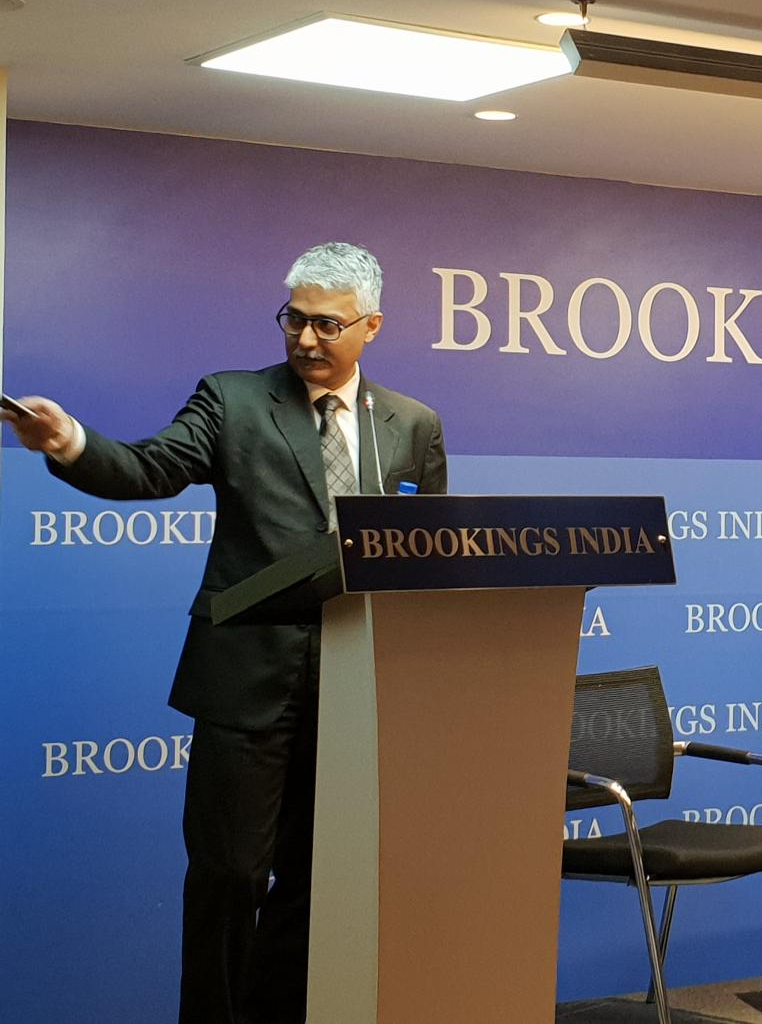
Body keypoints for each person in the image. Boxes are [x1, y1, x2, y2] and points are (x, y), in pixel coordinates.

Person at [1, 241, 447, 1024]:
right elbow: (149, 467)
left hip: (358, 686)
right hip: (247, 680)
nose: (306, 338)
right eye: (294, 319)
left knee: (320, 878)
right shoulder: (233, 399)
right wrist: (70, 439)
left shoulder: (413, 423)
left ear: (371, 326)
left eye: (328, 324)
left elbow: (426, 552)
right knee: (230, 876)